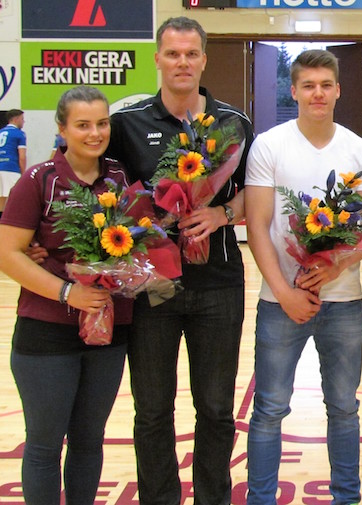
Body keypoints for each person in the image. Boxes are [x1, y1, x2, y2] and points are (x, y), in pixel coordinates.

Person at [105, 17, 254, 505]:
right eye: (173, 53)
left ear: (204, 59)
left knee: (216, 409)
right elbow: (104, 194)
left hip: (219, 284)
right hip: (152, 287)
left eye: (191, 53)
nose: (182, 62)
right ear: (158, 59)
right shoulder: (126, 124)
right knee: (152, 410)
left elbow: (255, 196)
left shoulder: (234, 123)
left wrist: (221, 213)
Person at [244, 49, 362, 505]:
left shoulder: (358, 149)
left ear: (338, 90)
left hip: (344, 301)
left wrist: (338, 264)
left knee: (344, 409)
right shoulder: (269, 145)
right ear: (294, 91)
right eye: (308, 85)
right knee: (269, 409)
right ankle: (260, 499)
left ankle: (347, 498)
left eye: (325, 85)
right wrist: (284, 293)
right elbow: (257, 225)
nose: (317, 93)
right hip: (279, 303)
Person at [0, 86, 131, 503]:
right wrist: (67, 292)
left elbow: (144, 242)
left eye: (102, 123)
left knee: (90, 440)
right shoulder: (38, 180)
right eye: (83, 125)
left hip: (109, 331)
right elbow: (7, 253)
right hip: (46, 331)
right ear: (62, 129)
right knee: (44, 444)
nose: (95, 133)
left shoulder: (122, 177)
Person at [0, 108, 26, 216]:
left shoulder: (1, 131)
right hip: (11, 169)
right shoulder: (19, 134)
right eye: (22, 119)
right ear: (16, 119)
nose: (23, 122)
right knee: (16, 197)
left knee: (1, 198)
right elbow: (22, 157)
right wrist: (23, 174)